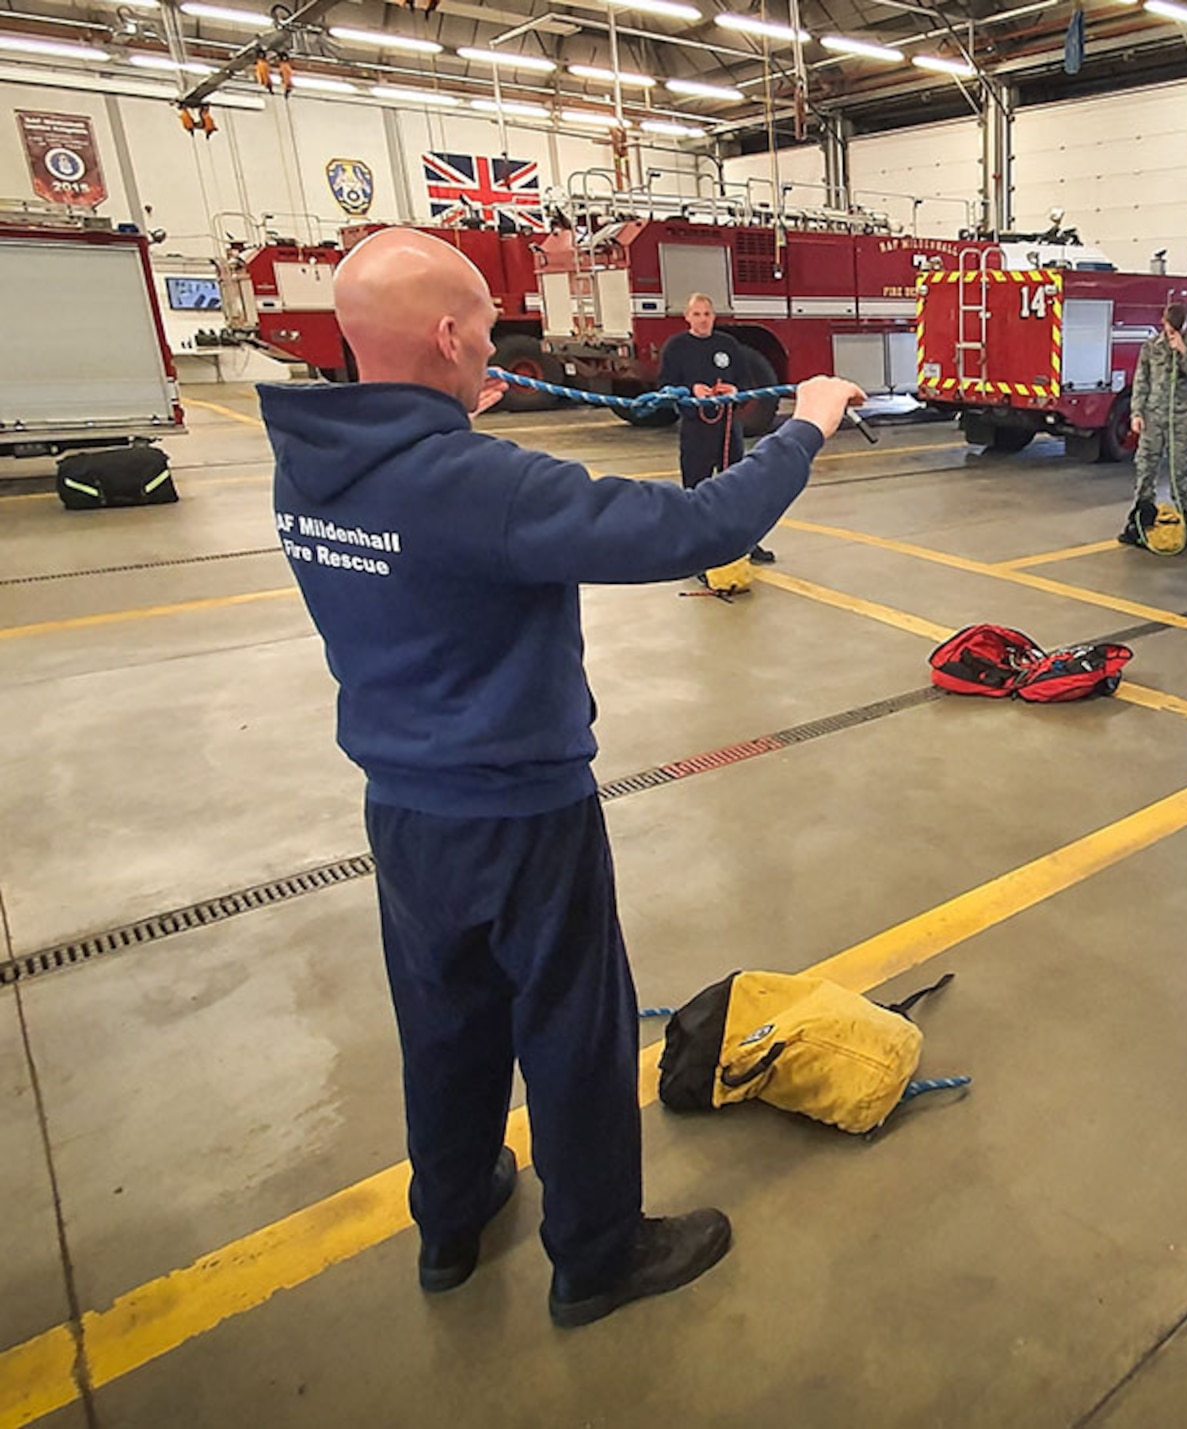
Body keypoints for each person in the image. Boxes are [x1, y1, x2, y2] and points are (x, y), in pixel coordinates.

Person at [258, 228, 863, 1329]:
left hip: (402, 808)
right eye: (483, 320)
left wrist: (441, 419)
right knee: (573, 1029)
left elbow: (424, 517)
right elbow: (696, 525)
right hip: (519, 812)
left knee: (444, 1018)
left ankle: (449, 1220)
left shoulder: (314, 458)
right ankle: (596, 1253)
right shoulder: (474, 484)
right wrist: (806, 424)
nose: (494, 336)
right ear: (447, 336)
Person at [658, 292, 775, 564]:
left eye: (707, 314)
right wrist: (690, 390)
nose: (702, 320)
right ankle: (695, 549)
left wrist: (734, 389)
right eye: (696, 314)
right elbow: (663, 386)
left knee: (737, 485)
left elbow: (745, 381)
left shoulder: (728, 345)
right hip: (696, 428)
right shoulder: (676, 347)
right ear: (687, 317)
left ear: (714, 316)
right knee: (696, 490)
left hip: (727, 428)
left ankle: (747, 543)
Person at [1118, 302, 1187, 552]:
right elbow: (1141, 381)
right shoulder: (1151, 347)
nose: (1172, 332)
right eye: (1170, 327)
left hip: (1180, 418)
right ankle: (1139, 523)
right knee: (1145, 468)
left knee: (1180, 470)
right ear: (1163, 322)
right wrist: (1136, 413)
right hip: (1153, 417)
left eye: (1177, 328)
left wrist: (1183, 351)